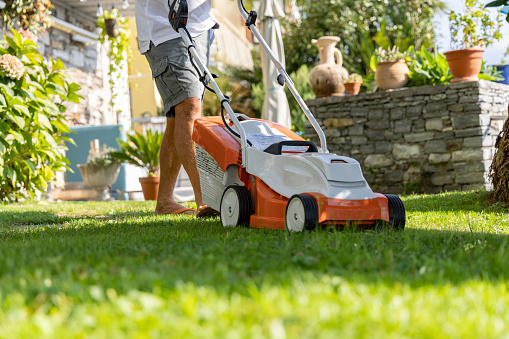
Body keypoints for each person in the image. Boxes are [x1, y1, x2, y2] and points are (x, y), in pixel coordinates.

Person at [135, 0, 217, 217]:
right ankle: (206, 199)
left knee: (179, 116)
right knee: (189, 109)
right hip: (165, 28)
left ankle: (164, 201)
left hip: (200, 27)